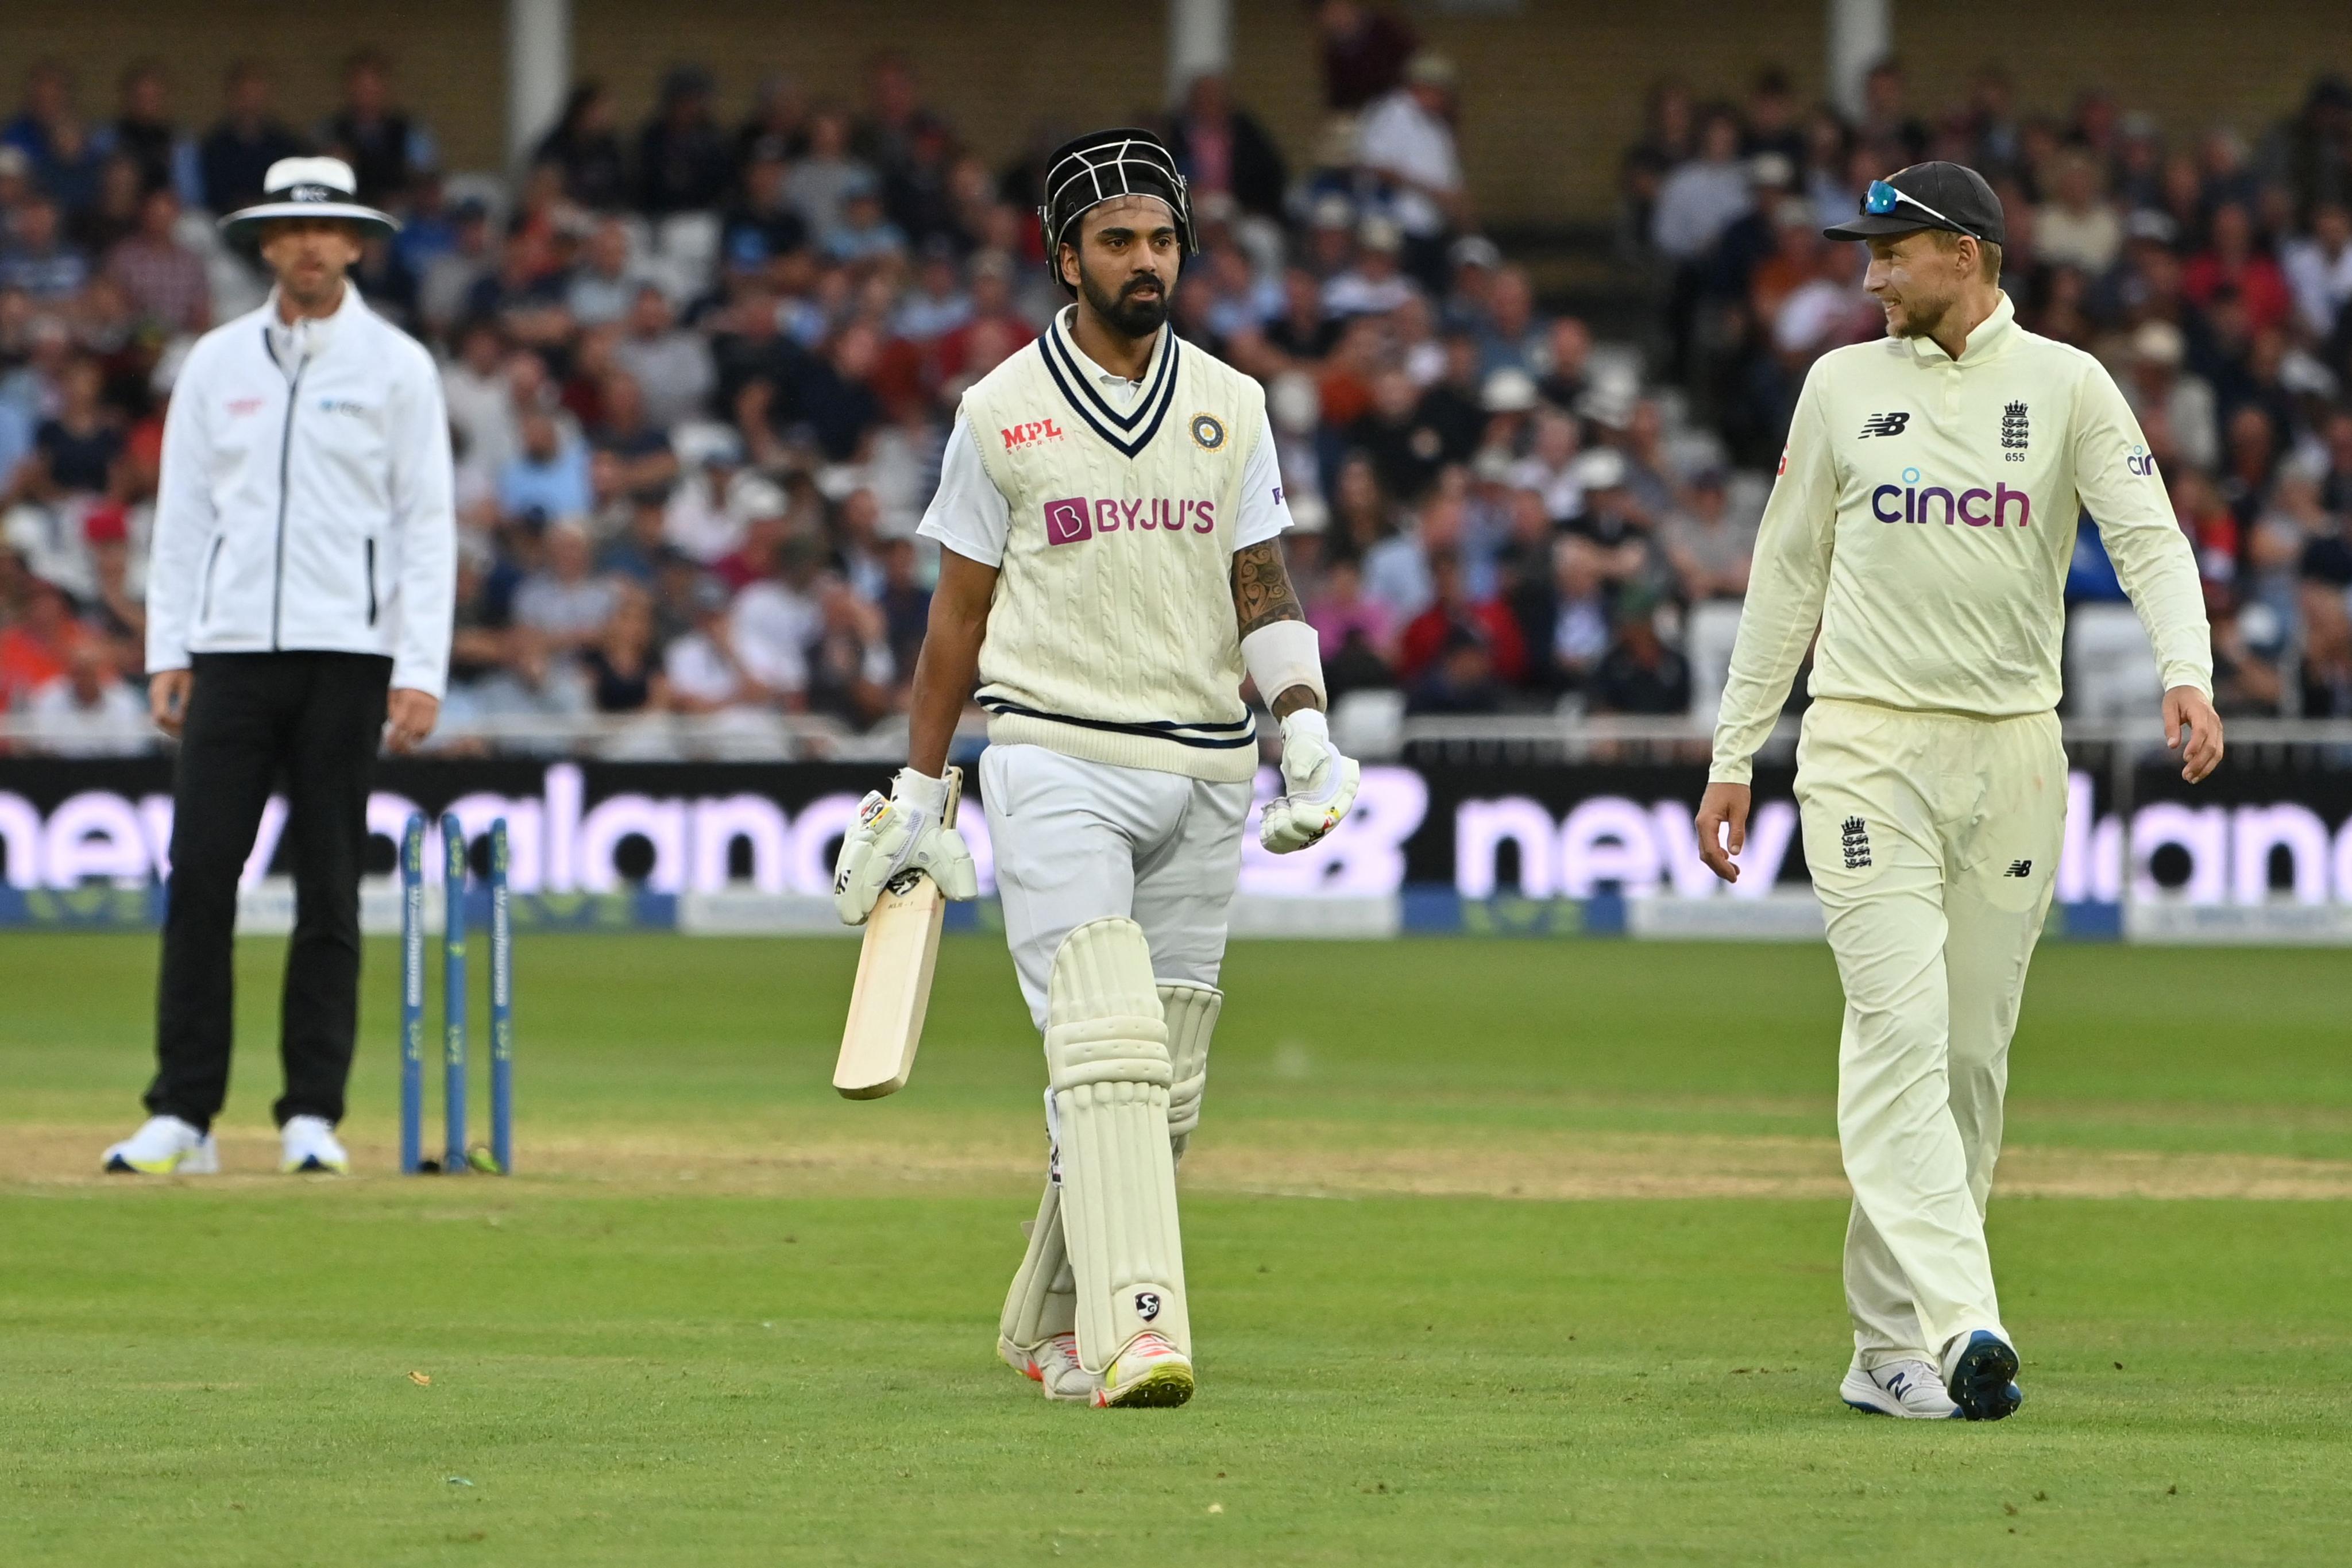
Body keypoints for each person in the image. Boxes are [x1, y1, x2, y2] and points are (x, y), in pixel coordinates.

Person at [831, 129, 1360, 1409]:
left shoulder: (1231, 404)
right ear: (1061, 254)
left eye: (1161, 239)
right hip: (1053, 751)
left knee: (1162, 1088)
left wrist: (1301, 722)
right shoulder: (998, 409)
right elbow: (955, 619)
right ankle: (1133, 1334)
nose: (1143, 262)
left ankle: (1041, 1319)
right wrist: (920, 789)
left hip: (1205, 767)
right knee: (1103, 1052)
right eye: (1116, 240)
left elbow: (1261, 584)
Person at [1694, 163, 2220, 1422]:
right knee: (1896, 1028)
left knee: (1969, 1059)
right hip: (1864, 745)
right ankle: (1961, 1319)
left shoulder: (2066, 384)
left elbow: (2145, 536)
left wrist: (2184, 672)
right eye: (1864, 256)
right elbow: (1783, 577)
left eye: (1891, 253)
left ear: (1967, 256)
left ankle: (1884, 1348)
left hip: (2013, 753)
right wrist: (1731, 750)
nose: (1868, 275)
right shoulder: (1837, 386)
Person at [109, 157, 456, 1178]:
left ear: (355, 242)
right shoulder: (215, 364)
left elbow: (426, 525)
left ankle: (312, 1111)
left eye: (329, 230)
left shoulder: (398, 367)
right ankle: (184, 1113)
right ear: (265, 243)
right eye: (290, 231)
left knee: (330, 888)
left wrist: (421, 664)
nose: (309, 246)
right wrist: (167, 648)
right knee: (201, 876)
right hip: (228, 656)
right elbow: (182, 519)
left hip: (349, 655)